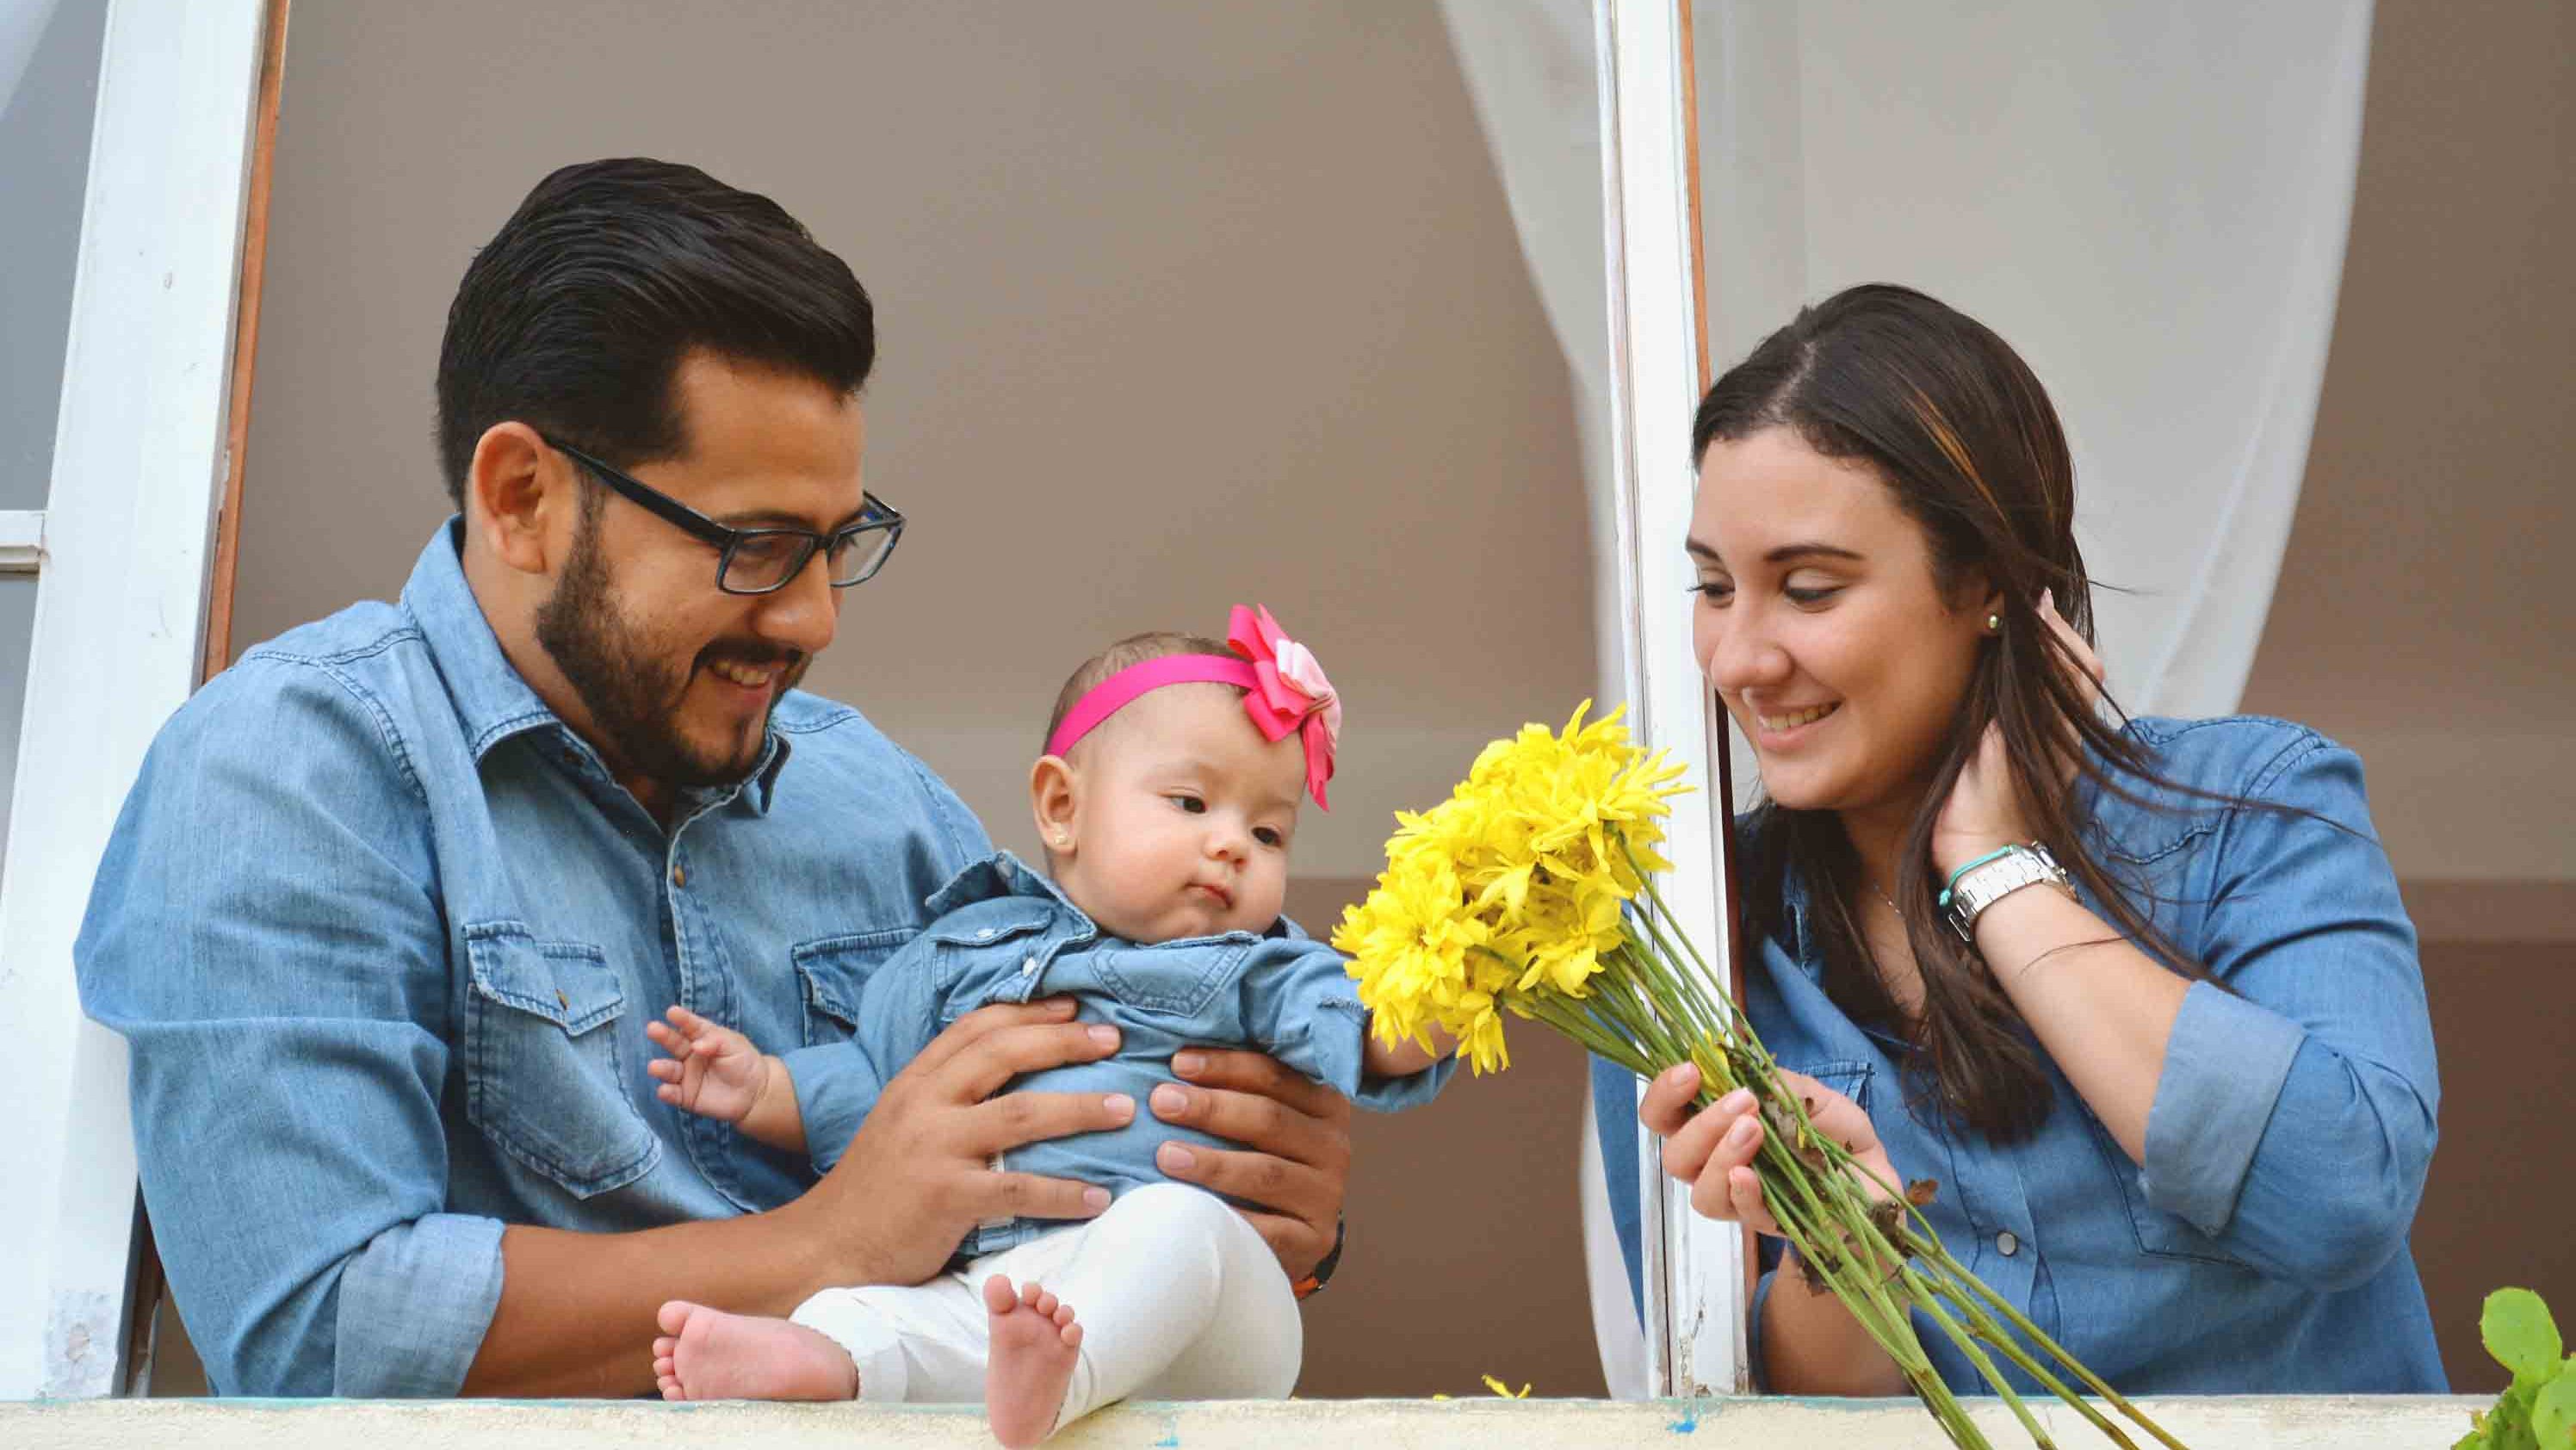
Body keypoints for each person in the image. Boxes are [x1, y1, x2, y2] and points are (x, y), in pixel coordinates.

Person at [72, 158, 1354, 1399]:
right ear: (522, 497)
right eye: (754, 547)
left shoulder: (886, 806)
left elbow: (1062, 1174)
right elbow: (317, 1325)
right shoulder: (291, 771)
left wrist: (1253, 1189)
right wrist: (824, 1247)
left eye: (836, 547)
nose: (812, 620)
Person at [1594, 283, 2443, 1394]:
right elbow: (1732, 1403)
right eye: (1713, 588)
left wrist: (2001, 877)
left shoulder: (2255, 809)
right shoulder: (1687, 946)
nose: (1739, 658)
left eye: (1807, 589)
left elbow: (2340, 1194)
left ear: (1986, 581)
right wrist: (1856, 1255)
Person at [637, 616, 1450, 1445]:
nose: (1231, 845)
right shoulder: (964, 951)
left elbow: (1365, 1025)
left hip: (1208, 1313)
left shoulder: (1258, 968)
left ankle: (1062, 1381)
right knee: (863, 1305)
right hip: (1002, 1286)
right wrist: (765, 1087)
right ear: (1062, 807)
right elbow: (875, 1083)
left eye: (1267, 832)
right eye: (1192, 802)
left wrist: (1445, 997)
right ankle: (830, 1359)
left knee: (1178, 1226)